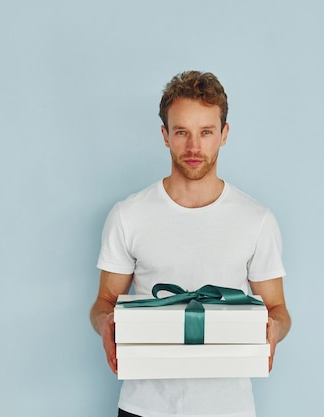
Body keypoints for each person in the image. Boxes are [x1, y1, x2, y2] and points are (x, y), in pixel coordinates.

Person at [89, 70, 291, 417]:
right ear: (165, 135)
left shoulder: (256, 220)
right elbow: (104, 302)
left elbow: (278, 311)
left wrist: (274, 329)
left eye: (206, 132)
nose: (194, 147)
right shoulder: (128, 215)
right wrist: (106, 323)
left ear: (224, 134)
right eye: (182, 132)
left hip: (229, 409)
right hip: (143, 406)